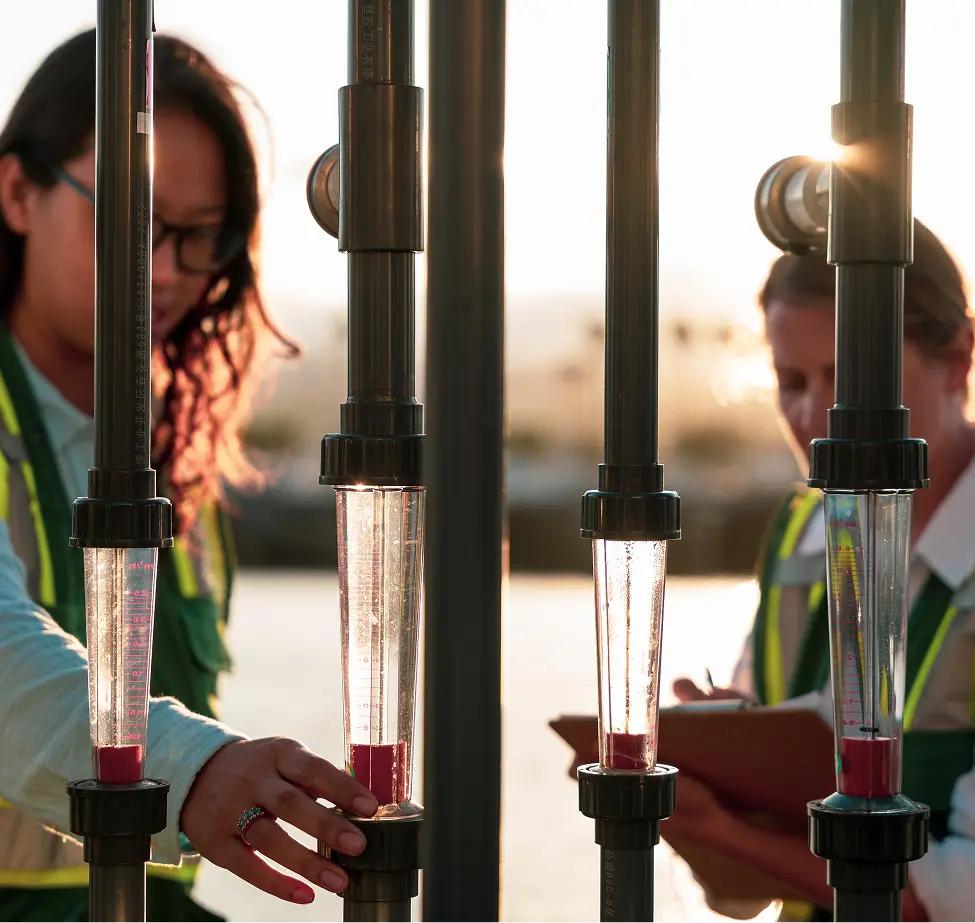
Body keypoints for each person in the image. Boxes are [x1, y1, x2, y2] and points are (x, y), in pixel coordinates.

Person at [0, 30, 372, 923]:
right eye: (134, 222)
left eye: (201, 238)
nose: (164, 270)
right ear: (17, 191)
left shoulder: (181, 457)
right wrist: (187, 765)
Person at [665, 221, 975, 923]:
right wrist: (714, 772)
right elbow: (739, 895)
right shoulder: (797, 538)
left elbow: (958, 892)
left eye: (847, 377)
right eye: (789, 380)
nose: (812, 415)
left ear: (957, 358)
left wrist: (721, 829)